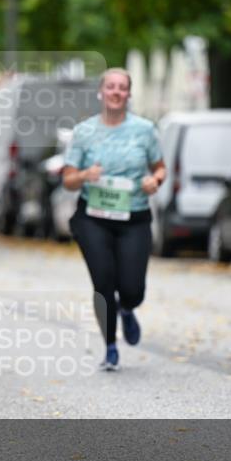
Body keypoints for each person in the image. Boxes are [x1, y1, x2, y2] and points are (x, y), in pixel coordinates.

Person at [62, 67, 166, 371]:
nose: (116, 92)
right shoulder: (84, 131)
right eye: (111, 86)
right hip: (93, 218)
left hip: (134, 217)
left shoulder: (144, 130)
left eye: (122, 87)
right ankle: (110, 347)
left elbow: (160, 167)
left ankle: (127, 309)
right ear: (101, 92)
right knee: (103, 281)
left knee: (133, 289)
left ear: (129, 94)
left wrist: (154, 181)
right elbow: (68, 180)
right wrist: (85, 174)